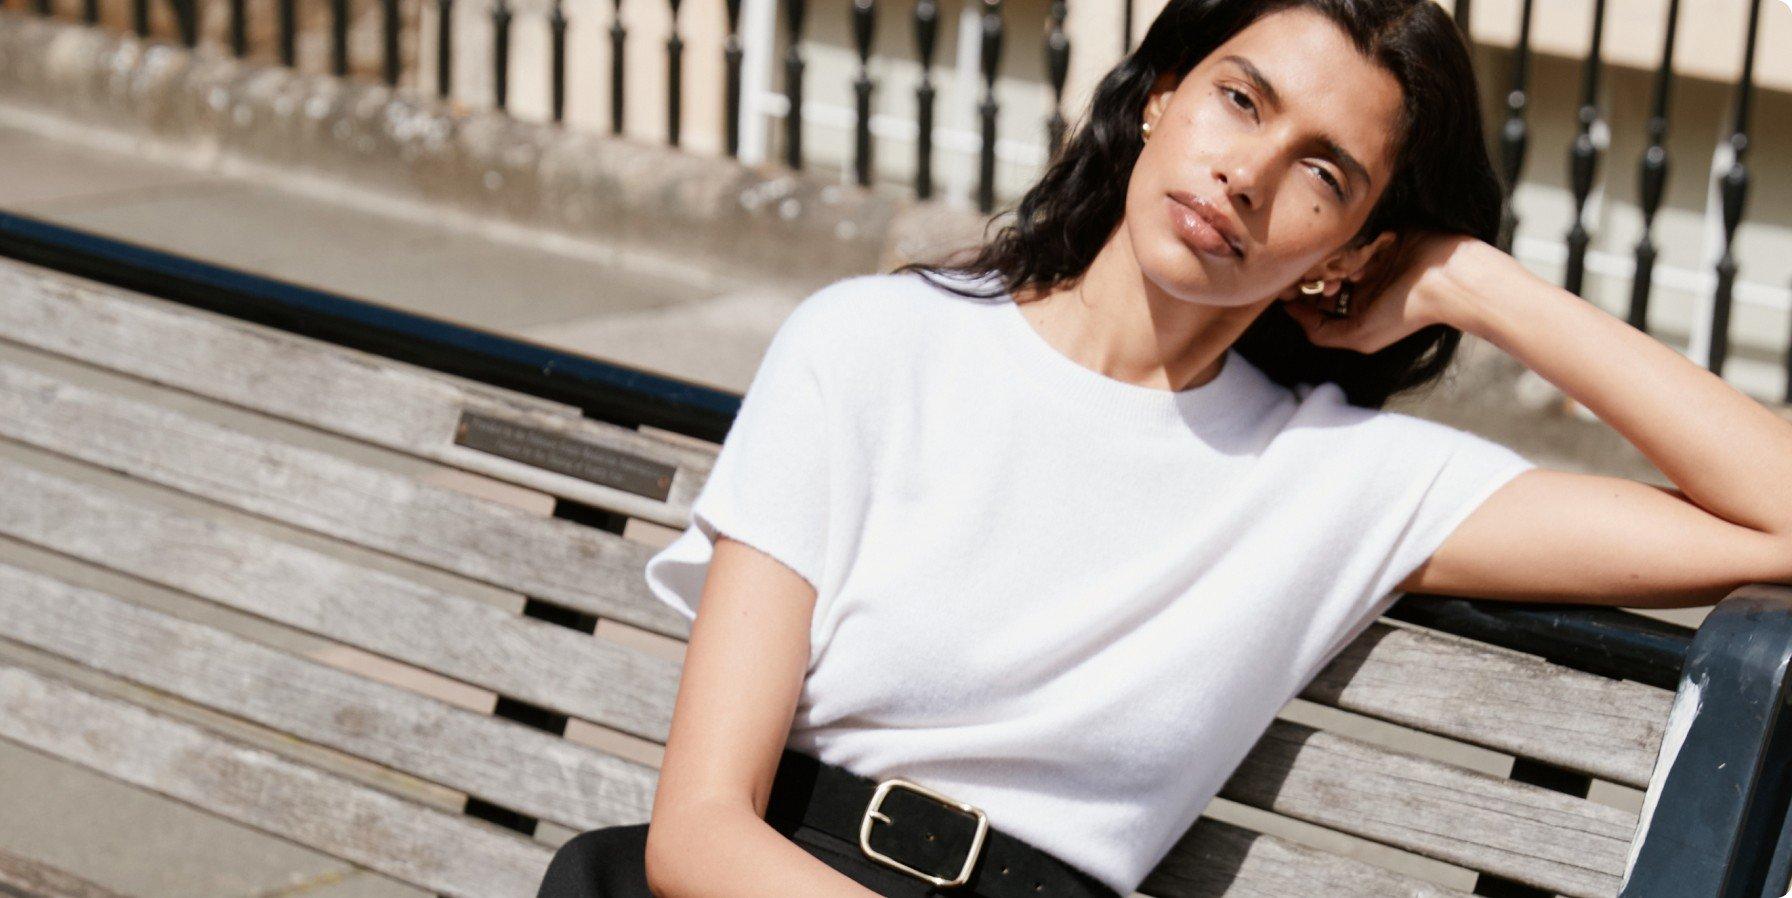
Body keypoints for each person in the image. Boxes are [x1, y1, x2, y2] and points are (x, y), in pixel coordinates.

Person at [536, 1, 1792, 896]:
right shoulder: (870, 347)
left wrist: (1479, 286)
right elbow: (696, 831)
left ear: (1358, 245)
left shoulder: (1347, 481)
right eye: (1239, 100)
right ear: (1157, 99)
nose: (1246, 171)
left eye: (1325, 172)